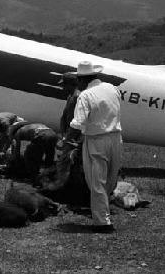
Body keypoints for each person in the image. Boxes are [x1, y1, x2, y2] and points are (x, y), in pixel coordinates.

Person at [70, 61, 122, 233]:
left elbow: (78, 123)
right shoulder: (112, 88)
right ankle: (104, 211)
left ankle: (102, 222)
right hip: (115, 137)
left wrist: (65, 141)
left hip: (96, 139)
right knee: (110, 177)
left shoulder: (85, 95)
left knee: (96, 181)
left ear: (81, 79)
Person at [58, 72, 81, 142]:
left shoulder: (78, 97)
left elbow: (79, 121)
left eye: (64, 85)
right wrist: (63, 133)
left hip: (75, 136)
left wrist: (68, 137)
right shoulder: (70, 96)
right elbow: (64, 115)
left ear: (70, 84)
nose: (62, 88)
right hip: (69, 133)